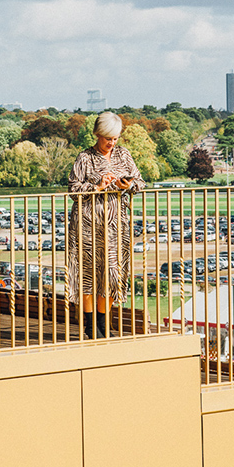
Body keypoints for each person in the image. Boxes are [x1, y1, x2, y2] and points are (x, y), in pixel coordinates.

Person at [67, 113, 144, 338]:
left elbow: (140, 182)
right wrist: (98, 186)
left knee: (113, 274)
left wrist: (126, 185)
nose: (111, 143)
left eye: (115, 138)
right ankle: (91, 327)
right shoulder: (85, 158)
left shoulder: (124, 155)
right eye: (107, 138)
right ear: (97, 135)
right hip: (88, 224)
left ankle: (104, 323)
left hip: (116, 225)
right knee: (89, 274)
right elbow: (73, 190)